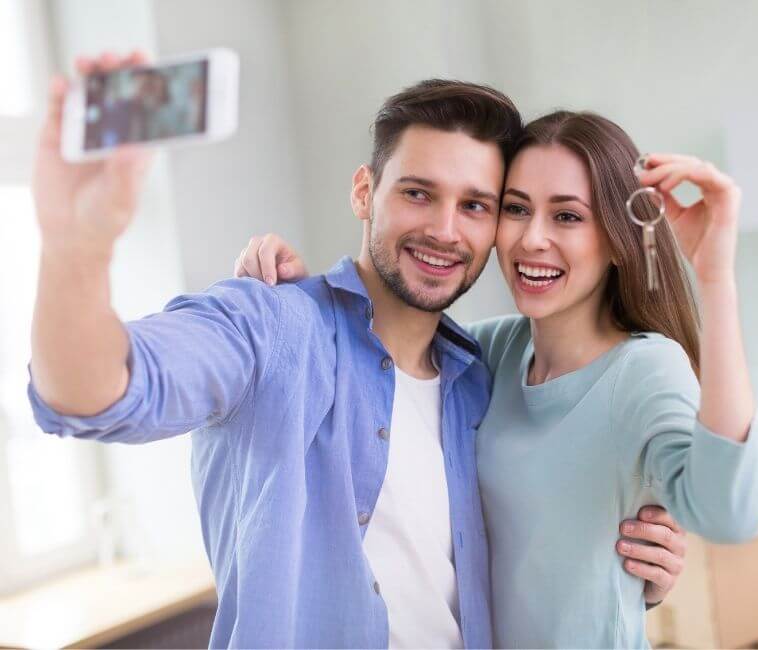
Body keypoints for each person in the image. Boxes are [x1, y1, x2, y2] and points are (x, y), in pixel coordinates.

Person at [27, 51, 687, 649]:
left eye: (476, 205)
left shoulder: (480, 378)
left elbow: (532, 538)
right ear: (364, 192)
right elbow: (93, 392)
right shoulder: (271, 325)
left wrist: (635, 571)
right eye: (418, 192)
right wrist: (75, 248)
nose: (444, 229)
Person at [235, 111, 758, 646]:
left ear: (616, 239)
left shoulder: (642, 369)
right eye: (516, 209)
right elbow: (373, 360)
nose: (532, 239)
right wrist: (299, 301)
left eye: (567, 217)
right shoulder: (484, 352)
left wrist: (715, 275)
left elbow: (731, 515)